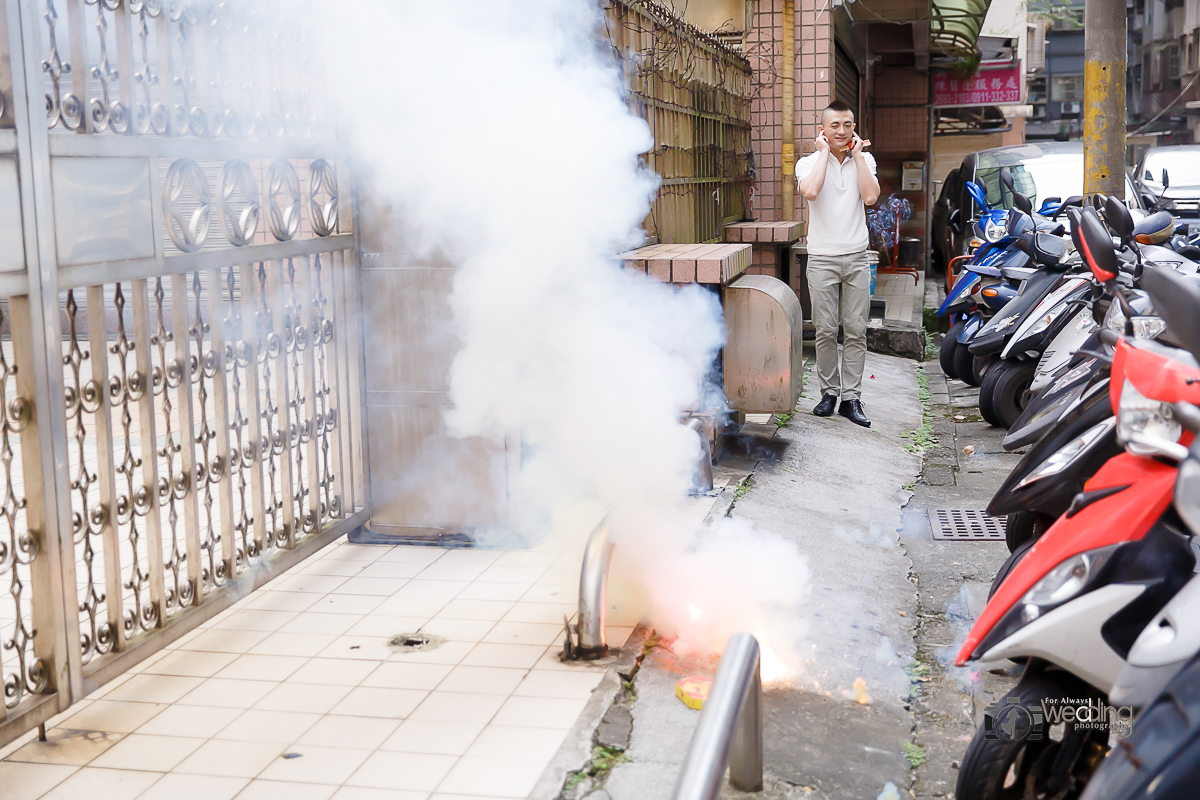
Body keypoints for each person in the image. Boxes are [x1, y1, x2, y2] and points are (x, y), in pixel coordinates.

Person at [795, 99, 880, 428]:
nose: (842, 131)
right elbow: (811, 192)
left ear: (854, 128)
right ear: (823, 130)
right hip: (821, 258)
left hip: (857, 257)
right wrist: (824, 155)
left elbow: (870, 197)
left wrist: (857, 156)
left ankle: (851, 399)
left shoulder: (865, 159)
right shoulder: (808, 163)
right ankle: (828, 394)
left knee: (856, 331)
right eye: (835, 126)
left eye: (847, 125)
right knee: (826, 330)